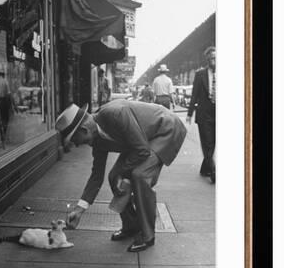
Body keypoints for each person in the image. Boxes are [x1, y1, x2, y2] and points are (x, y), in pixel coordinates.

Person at [55, 100, 186, 252]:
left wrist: (121, 173)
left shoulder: (116, 114)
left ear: (84, 130)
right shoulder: (96, 139)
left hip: (165, 129)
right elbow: (96, 176)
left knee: (140, 175)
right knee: (113, 177)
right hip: (141, 140)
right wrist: (79, 209)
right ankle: (131, 226)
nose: (77, 145)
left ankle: (147, 235)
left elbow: (142, 150)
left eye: (74, 140)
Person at [186, 46, 216, 183]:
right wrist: (189, 113)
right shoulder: (200, 74)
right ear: (207, 59)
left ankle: (205, 168)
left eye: (215, 57)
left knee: (213, 143)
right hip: (204, 113)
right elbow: (194, 95)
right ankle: (213, 170)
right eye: (211, 58)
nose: (213, 60)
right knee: (207, 142)